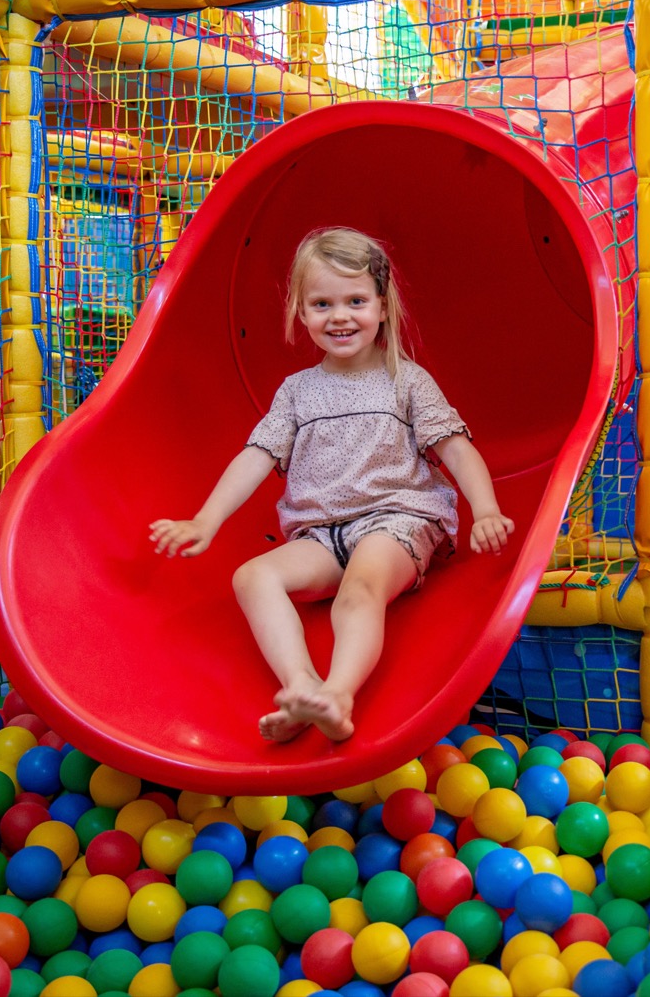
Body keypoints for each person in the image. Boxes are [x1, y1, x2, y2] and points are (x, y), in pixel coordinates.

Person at [148, 227, 514, 743]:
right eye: (322, 303)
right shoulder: (297, 392)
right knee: (251, 578)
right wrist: (205, 519)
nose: (339, 316)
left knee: (358, 591)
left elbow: (455, 447)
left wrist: (487, 508)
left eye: (356, 301)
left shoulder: (406, 381)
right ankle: (300, 688)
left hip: (397, 520)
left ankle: (338, 695)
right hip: (321, 534)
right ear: (301, 313)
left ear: (383, 307)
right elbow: (257, 456)